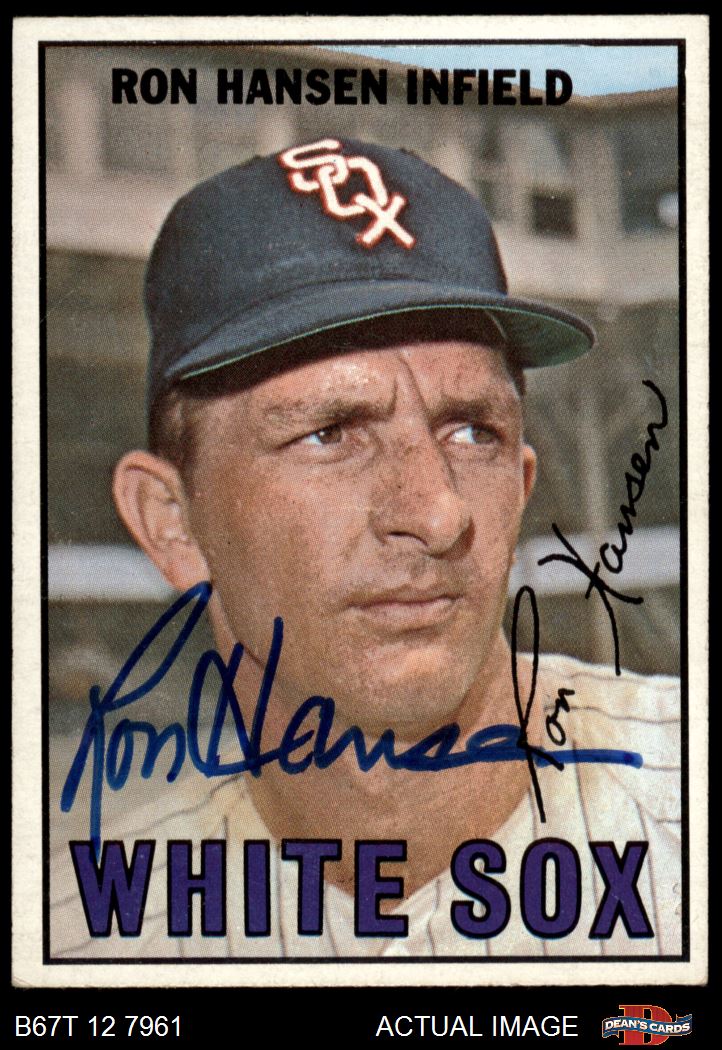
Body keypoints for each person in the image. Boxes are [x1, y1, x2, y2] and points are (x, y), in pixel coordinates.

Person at [51, 138, 680, 960]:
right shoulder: (80, 935)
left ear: (522, 485)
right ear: (173, 523)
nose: (439, 511)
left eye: (473, 431)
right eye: (330, 432)